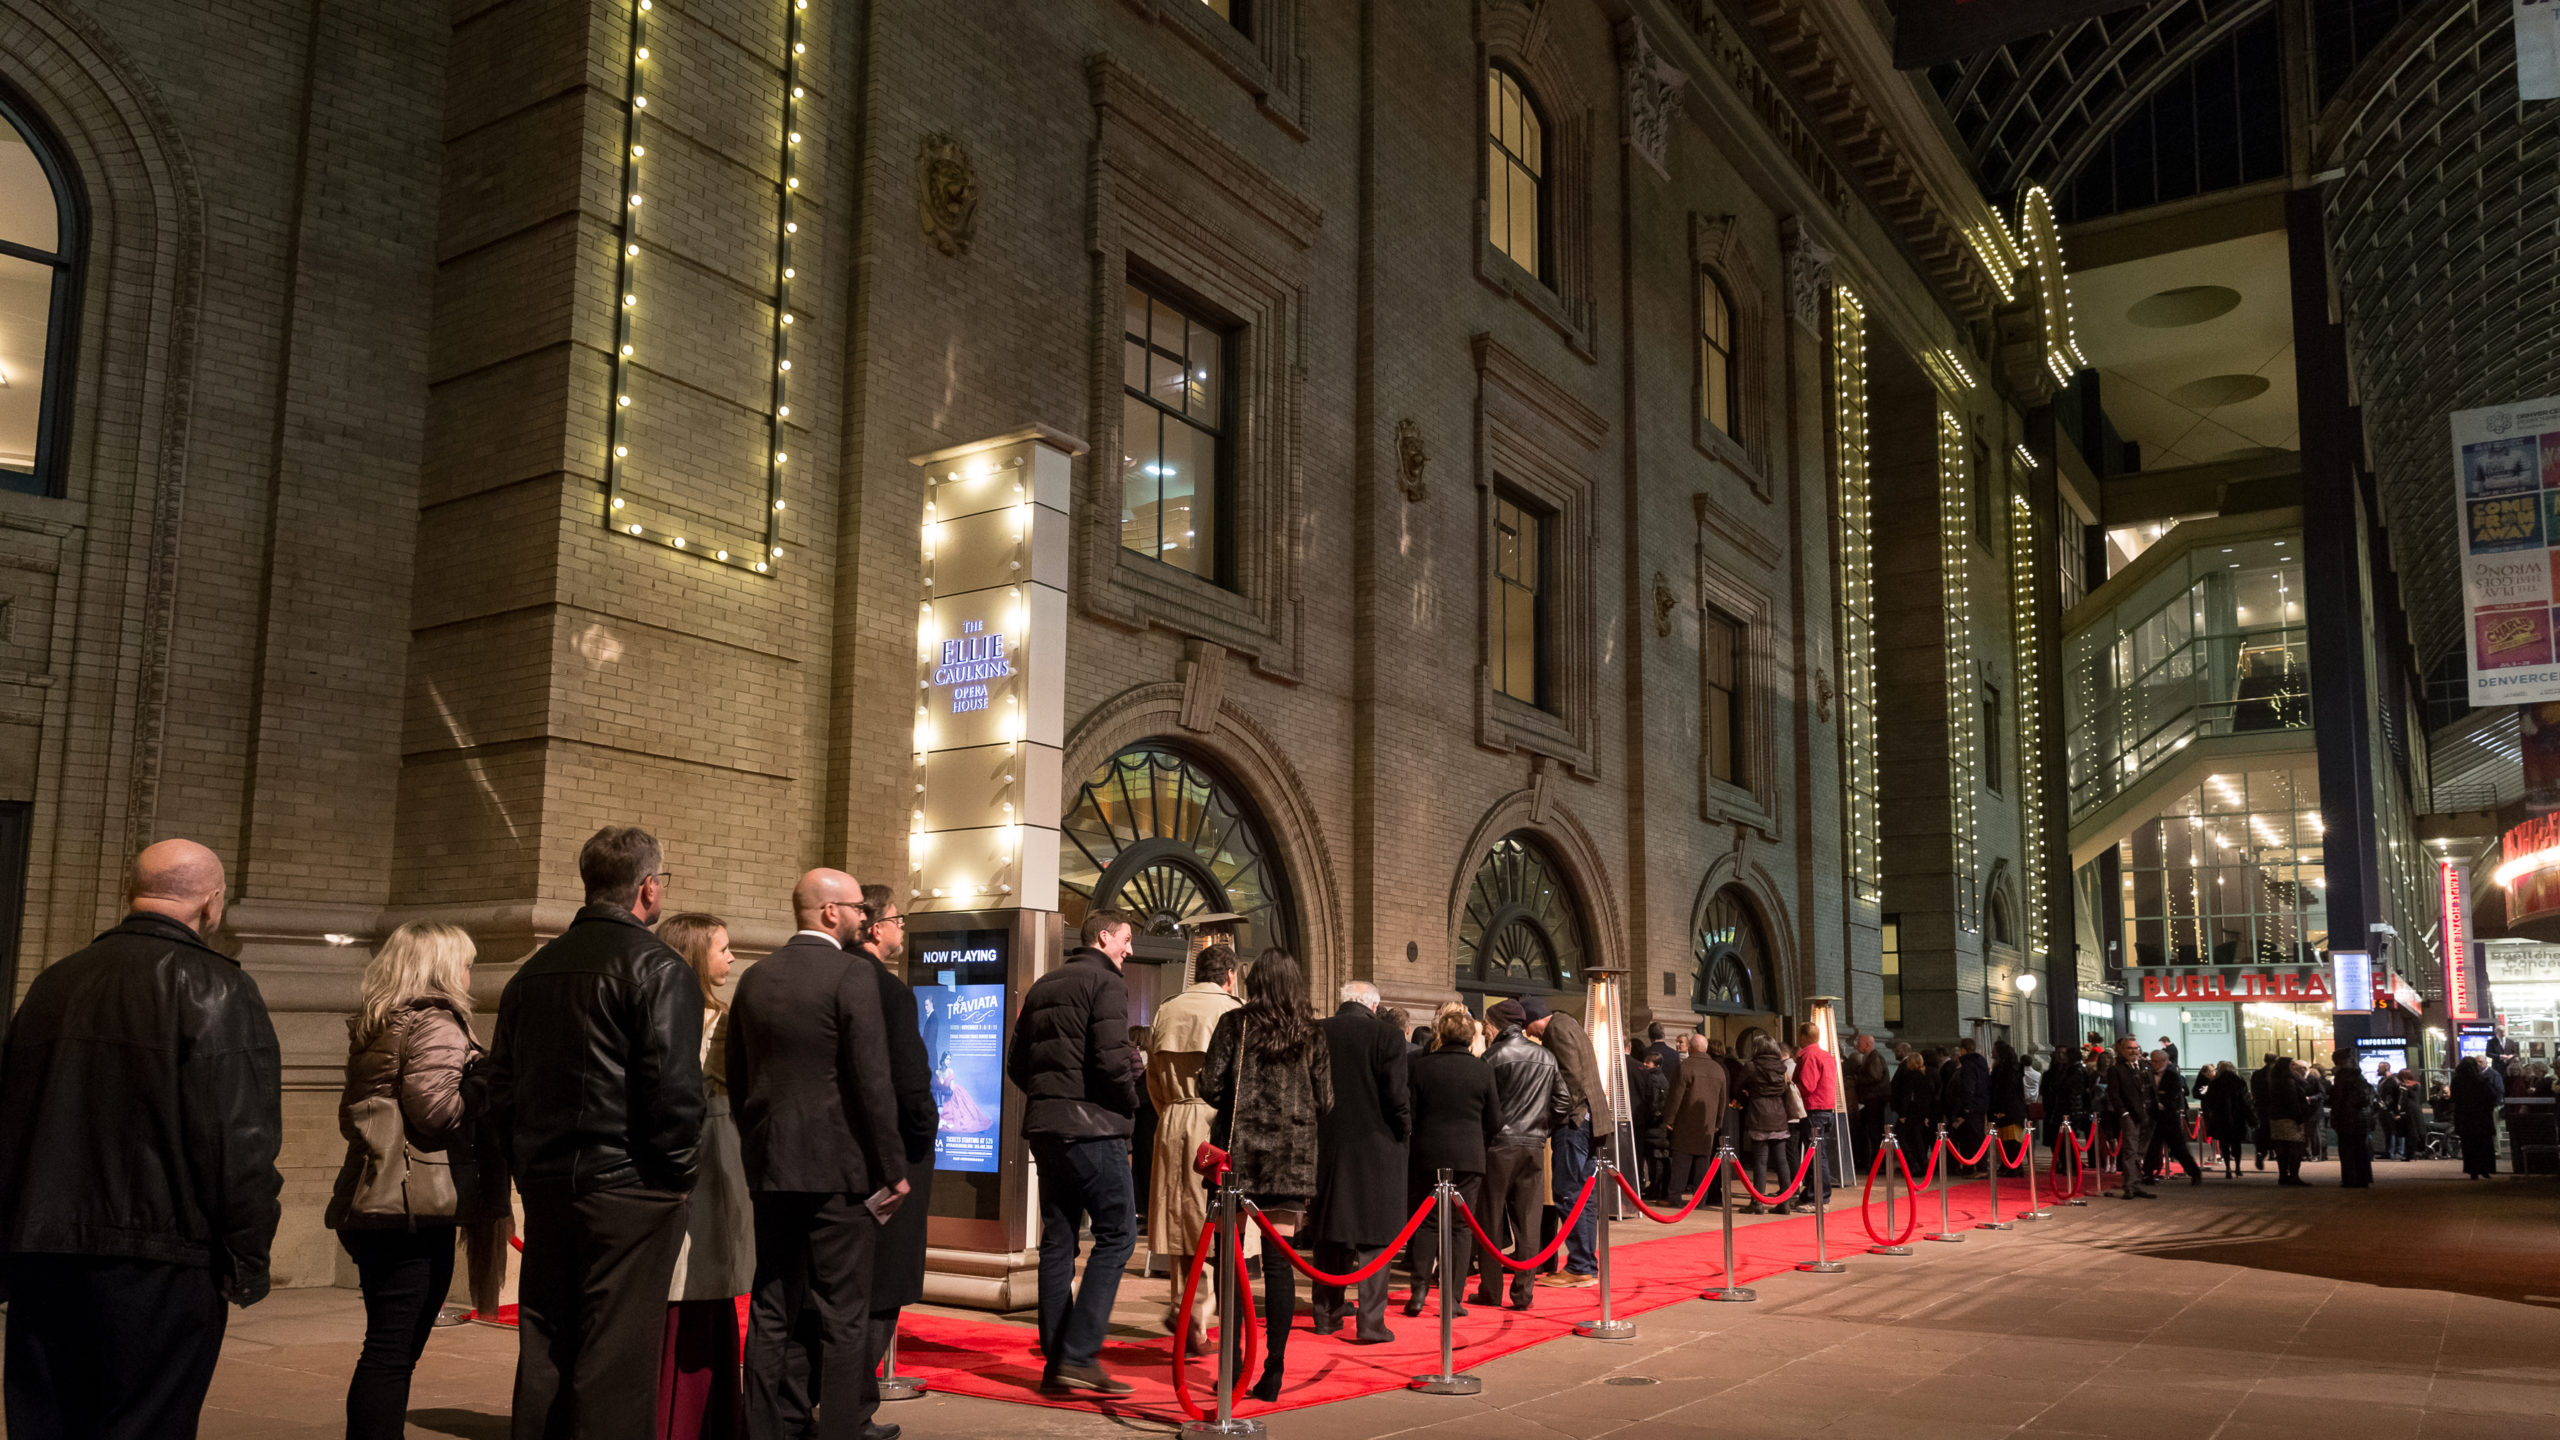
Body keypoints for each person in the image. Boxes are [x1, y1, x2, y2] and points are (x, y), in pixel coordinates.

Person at [0, 840, 282, 1440]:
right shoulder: (219, 988)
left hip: (44, 1252)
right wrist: (247, 1257)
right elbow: (240, 1142)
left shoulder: (55, 982)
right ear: (211, 900)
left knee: (48, 1423)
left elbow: (10, 1121)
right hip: (161, 1260)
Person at [488, 826, 706, 1440]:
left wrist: (526, 1167)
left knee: (547, 1340)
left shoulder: (534, 971)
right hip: (632, 1188)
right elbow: (672, 1089)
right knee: (617, 1357)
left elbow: (501, 1086)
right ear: (649, 889)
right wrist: (676, 1177)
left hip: (550, 1183)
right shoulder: (657, 966)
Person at [730, 868, 909, 1439]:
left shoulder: (755, 977)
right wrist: (893, 1170)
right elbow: (871, 1082)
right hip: (842, 1173)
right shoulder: (851, 975)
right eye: (858, 907)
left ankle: (760, 1431)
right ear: (830, 912)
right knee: (844, 1316)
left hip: (772, 1166)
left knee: (770, 1306)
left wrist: (756, 1144)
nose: (865, 917)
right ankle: (839, 1433)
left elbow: (738, 1076)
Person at [326, 920, 503, 1440]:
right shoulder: (436, 1022)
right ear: (444, 968)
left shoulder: (380, 1021)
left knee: (383, 1344)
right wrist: (487, 1082)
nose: (471, 974)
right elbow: (435, 1111)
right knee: (391, 1353)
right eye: (467, 963)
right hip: (412, 1208)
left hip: (369, 1198)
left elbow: (355, 1114)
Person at [1006, 908, 1143, 1393]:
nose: (1129, 949)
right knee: (1118, 1235)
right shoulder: (1105, 984)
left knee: (1058, 1241)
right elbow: (1110, 1062)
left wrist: (1051, 1097)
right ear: (1104, 937)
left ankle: (1056, 1361)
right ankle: (1080, 1354)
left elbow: (1016, 1063)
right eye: (1126, 939)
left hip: (1047, 1131)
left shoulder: (1044, 985)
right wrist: (1131, 1104)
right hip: (1093, 1130)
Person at [1202, 948, 1333, 1401]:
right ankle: (1273, 1371)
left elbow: (1210, 1086)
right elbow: (1326, 1099)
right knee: (1279, 1266)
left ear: (1254, 980)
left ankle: (1233, 1364)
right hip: (1290, 1162)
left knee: (1232, 1265)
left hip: (1238, 1159)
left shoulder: (1234, 1025)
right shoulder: (1311, 1033)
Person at [651, 912, 755, 1440]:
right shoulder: (715, 1019)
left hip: (687, 1150)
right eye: (723, 949)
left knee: (696, 1282)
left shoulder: (653, 1010)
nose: (732, 957)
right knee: (699, 1278)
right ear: (695, 955)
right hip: (708, 1150)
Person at [857, 887, 937, 1437]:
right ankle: (853, 1406)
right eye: (896, 920)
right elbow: (911, 1084)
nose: (902, 930)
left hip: (833, 1159)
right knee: (884, 1283)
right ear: (872, 926)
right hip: (890, 1161)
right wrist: (920, 1140)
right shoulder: (888, 992)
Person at [1143, 942, 1242, 1347]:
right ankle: (1201, 1313)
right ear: (1230, 975)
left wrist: (1171, 1111)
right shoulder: (1232, 1009)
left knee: (1182, 1221)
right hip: (1216, 1121)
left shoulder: (1168, 1008)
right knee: (1221, 1224)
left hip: (1173, 1119)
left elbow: (1152, 1076)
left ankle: (1187, 1310)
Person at [1307, 979, 1410, 1345]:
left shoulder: (1316, 1032)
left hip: (1326, 1142)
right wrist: (1404, 1131)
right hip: (1376, 1145)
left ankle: (1325, 1313)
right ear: (1374, 1004)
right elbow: (1396, 1094)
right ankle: (1370, 1322)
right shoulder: (1387, 1036)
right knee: (1374, 1236)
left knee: (1329, 1230)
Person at [1403, 1004, 1497, 1318]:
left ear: (1440, 1034)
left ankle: (1418, 1292)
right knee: (1461, 1228)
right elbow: (1495, 1117)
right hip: (1469, 1155)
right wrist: (1480, 1139)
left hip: (1428, 1153)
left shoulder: (1422, 1067)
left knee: (1426, 1224)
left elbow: (1411, 1113)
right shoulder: (1482, 1069)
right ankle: (1453, 1298)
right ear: (1472, 1037)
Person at [1476, 998, 1567, 1312]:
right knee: (1529, 1222)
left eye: (1488, 1022)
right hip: (1532, 1146)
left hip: (1498, 1147)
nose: (1485, 1027)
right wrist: (1542, 1130)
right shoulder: (1545, 1056)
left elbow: (1483, 1105)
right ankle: (1523, 1293)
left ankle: (1490, 1290)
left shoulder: (1492, 1056)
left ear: (1499, 1023)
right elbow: (1563, 1103)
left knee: (1489, 1220)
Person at [1520, 996, 1608, 1287]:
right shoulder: (1569, 1023)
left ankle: (1580, 1266)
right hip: (1591, 1119)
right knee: (1584, 1196)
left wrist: (1559, 1116)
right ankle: (1585, 1264)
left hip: (1576, 1122)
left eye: (1526, 1025)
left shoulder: (1556, 1028)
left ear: (1535, 1017)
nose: (1527, 1032)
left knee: (1568, 1192)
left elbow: (1570, 1078)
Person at [1661, 1033, 1730, 1205]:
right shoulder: (1717, 1069)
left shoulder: (1685, 1067)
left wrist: (1669, 1119)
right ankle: (1700, 1199)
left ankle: (1675, 1196)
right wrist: (1718, 1122)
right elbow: (1723, 1100)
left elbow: (1676, 1096)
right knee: (1702, 1164)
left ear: (1691, 1048)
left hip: (1685, 1122)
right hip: (1707, 1124)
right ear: (1705, 1049)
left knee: (1681, 1162)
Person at [1736, 1036, 1796, 1214]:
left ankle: (1757, 1202)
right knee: (1781, 1161)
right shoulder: (1781, 1067)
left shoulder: (1751, 1067)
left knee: (1760, 1161)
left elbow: (1737, 1087)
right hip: (1779, 1115)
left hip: (1758, 1114)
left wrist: (1747, 1095)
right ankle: (1785, 1202)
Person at [2099, 1036, 2157, 1199]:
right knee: (2130, 1150)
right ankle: (2129, 1186)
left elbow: (2151, 1089)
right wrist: (2123, 1112)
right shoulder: (2116, 1070)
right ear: (2121, 1051)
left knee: (2141, 1151)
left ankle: (2137, 1183)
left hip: (2149, 1114)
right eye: (2129, 1048)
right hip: (2130, 1115)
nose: (2133, 1051)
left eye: (2135, 1048)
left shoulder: (2145, 1066)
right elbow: (2114, 1094)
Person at [1792, 1025, 1839, 1208]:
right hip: (1826, 1109)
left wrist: (1791, 1087)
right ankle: (1810, 1194)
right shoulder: (1826, 1055)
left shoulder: (1809, 1056)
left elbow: (1807, 1086)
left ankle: (1818, 1197)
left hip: (1813, 1110)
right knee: (1817, 1153)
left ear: (1803, 1036)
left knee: (1816, 1155)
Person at [2143, 1050, 2204, 1185]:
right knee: (2153, 1147)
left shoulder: (2173, 1075)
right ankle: (2147, 1174)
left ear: (2165, 1061)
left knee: (2178, 1149)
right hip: (2155, 1118)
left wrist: (2160, 1103)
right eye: (2152, 1061)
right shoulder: (2148, 1074)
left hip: (2169, 1119)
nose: (2154, 1064)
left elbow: (2173, 1097)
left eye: (2157, 1061)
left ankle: (2195, 1173)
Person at [2257, 1052, 2309, 1186]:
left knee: (2281, 1149)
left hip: (2276, 1118)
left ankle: (2283, 1175)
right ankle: (2293, 1176)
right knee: (2294, 1148)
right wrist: (2299, 1118)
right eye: (2292, 1065)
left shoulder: (2275, 1080)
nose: (2295, 1067)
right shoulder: (2289, 1081)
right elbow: (2292, 1101)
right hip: (2289, 1119)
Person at [1629, 1042, 1671, 1200]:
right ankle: (1657, 1187)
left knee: (1656, 1158)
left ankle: (1657, 1188)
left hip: (1655, 1127)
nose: (1645, 1065)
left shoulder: (1653, 1079)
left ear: (1656, 1064)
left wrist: (1649, 1118)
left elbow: (1654, 1102)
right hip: (1658, 1126)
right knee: (1657, 1158)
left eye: (1648, 1063)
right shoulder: (1661, 1078)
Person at [2329, 1049, 2374, 1189]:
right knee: (2361, 1149)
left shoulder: (2342, 1076)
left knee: (2347, 1149)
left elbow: (2338, 1099)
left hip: (2347, 1118)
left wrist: (2335, 1116)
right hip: (2362, 1117)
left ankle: (2350, 1178)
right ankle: (2363, 1178)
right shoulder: (2359, 1075)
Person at [2452, 1055, 2503, 1178]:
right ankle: (2485, 1169)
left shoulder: (2457, 1081)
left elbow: (2454, 1098)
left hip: (2465, 1117)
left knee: (2469, 1145)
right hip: (2481, 1117)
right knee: (2484, 1144)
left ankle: (2472, 1170)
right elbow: (2491, 1096)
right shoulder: (2481, 1080)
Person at [2201, 1061, 2254, 1178]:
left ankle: (2228, 1168)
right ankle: (2238, 1167)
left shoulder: (2215, 1083)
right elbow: (2245, 1101)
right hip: (2237, 1116)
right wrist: (2250, 1116)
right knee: (2237, 1143)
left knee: (2224, 1144)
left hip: (2221, 1117)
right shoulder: (2239, 1081)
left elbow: (2209, 1100)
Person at [1848, 1032, 1892, 1169]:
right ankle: (1873, 1163)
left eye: (1859, 1042)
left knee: (1875, 1133)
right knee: (1868, 1131)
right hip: (1871, 1101)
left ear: (1867, 1044)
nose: (1856, 1044)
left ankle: (1879, 1164)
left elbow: (1875, 1077)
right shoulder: (1870, 1057)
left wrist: (1857, 1080)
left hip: (1875, 1100)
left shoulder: (1874, 1058)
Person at [1947, 1038, 1991, 1175]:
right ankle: (1979, 1166)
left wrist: (1966, 1107)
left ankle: (1973, 1168)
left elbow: (1968, 1087)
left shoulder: (1968, 1065)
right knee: (1978, 1136)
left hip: (1971, 1105)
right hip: (1981, 1104)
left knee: (1970, 1138)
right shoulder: (1981, 1063)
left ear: (1963, 1050)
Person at [1987, 1041, 2028, 1177]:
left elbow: (2007, 1091)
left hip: (2010, 1109)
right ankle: (2007, 1165)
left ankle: (2014, 1167)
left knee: (2012, 1141)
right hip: (2006, 1108)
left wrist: (2002, 1108)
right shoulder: (2005, 1068)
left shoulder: (2010, 1070)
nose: (1992, 1051)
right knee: (2004, 1140)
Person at [1890, 1049, 1937, 1164]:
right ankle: (1922, 1162)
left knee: (1900, 1136)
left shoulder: (1910, 1075)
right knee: (1917, 1137)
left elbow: (1907, 1096)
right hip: (1922, 1111)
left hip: (1911, 1111)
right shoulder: (1925, 1075)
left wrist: (1903, 1114)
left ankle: (1912, 1162)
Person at [2041, 1044, 2088, 1154]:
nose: (2062, 1056)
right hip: (2054, 1108)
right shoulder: (2050, 1074)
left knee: (2068, 1139)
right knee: (2055, 1138)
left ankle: (2070, 1163)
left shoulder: (2074, 1071)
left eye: (2064, 1053)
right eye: (2059, 1053)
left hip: (2069, 1109)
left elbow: (2074, 1090)